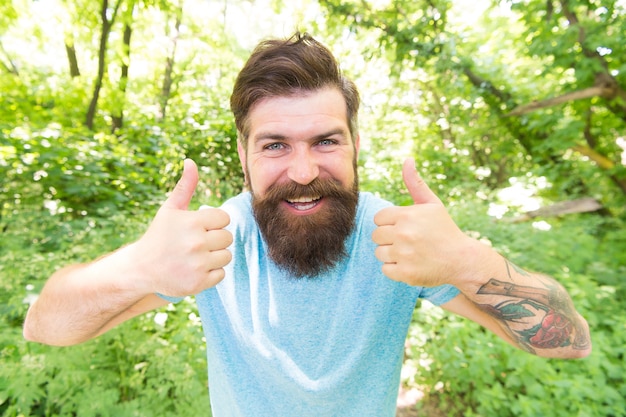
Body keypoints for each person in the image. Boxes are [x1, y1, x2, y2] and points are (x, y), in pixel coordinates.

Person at [23, 32, 591, 416]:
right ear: (243, 155)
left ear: (355, 146)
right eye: (275, 145)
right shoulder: (214, 241)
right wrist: (137, 267)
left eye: (325, 141)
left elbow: (568, 343)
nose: (302, 171)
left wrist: (469, 260)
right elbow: (46, 327)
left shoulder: (398, 240)